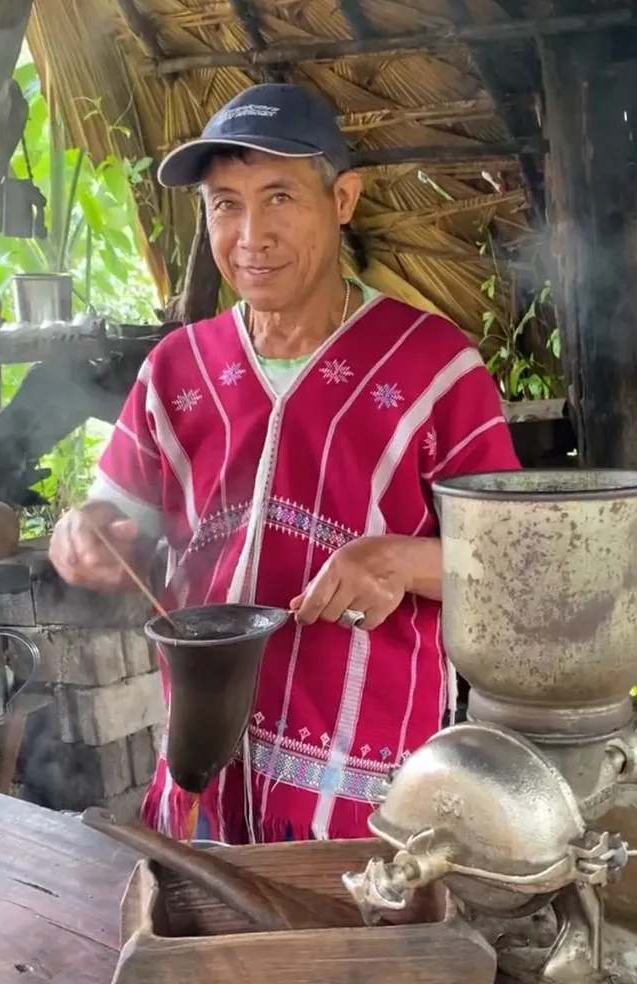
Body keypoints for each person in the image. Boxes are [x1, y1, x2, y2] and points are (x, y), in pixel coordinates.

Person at [48, 83, 521, 844]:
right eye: (225, 204)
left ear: (342, 199)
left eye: (279, 198)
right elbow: (113, 522)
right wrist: (83, 536)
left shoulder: (435, 368)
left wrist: (402, 560)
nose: (249, 236)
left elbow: (516, 561)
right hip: (202, 776)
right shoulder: (177, 370)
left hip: (364, 801)